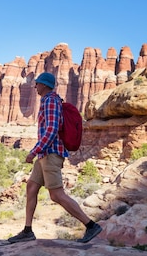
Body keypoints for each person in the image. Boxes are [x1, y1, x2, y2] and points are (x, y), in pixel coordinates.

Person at [8, 72, 102, 244]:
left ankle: (90, 226)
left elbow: (52, 129)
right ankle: (28, 231)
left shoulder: (50, 100)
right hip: (45, 154)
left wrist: (34, 151)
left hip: (50, 153)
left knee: (57, 195)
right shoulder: (48, 100)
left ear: (44, 85)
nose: (35, 86)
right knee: (31, 187)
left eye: (37, 83)